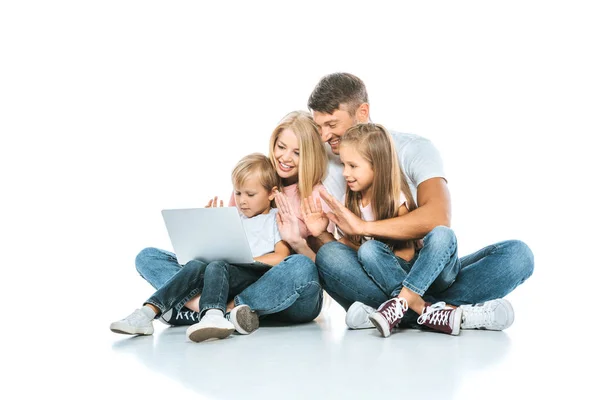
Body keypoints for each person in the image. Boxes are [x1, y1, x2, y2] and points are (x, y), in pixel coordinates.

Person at [307, 72, 534, 331]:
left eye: (332, 124)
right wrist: (320, 236)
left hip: (429, 266)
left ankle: (392, 311)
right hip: (379, 269)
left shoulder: (412, 149)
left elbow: (438, 219)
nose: (324, 136)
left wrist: (363, 227)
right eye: (319, 127)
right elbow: (346, 249)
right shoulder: (326, 165)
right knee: (330, 256)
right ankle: (445, 314)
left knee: (518, 255)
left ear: (362, 112)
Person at [133, 111, 331, 328]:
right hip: (233, 279)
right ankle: (210, 310)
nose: (284, 158)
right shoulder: (251, 180)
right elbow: (229, 246)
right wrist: (211, 227)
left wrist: (298, 242)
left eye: (297, 152)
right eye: (281, 147)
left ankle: (215, 310)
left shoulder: (316, 195)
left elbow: (321, 269)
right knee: (148, 257)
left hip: (284, 290)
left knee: (300, 266)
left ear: (310, 155)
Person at [111, 153, 297, 341]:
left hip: (247, 276)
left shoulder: (275, 218)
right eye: (238, 193)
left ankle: (207, 314)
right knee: (166, 259)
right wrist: (211, 226)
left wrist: (246, 260)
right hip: (215, 274)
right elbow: (215, 250)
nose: (242, 201)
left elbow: (281, 256)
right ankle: (147, 313)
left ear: (272, 193)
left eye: (250, 194)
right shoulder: (233, 217)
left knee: (217, 265)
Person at [302, 123, 463, 337]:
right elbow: (351, 247)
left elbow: (407, 253)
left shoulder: (397, 199)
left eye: (353, 166)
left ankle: (402, 305)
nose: (346, 173)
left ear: (376, 166)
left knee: (442, 235)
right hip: (387, 275)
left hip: (415, 271)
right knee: (356, 252)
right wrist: (322, 234)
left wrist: (371, 246)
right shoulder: (350, 201)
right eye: (343, 165)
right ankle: (427, 311)